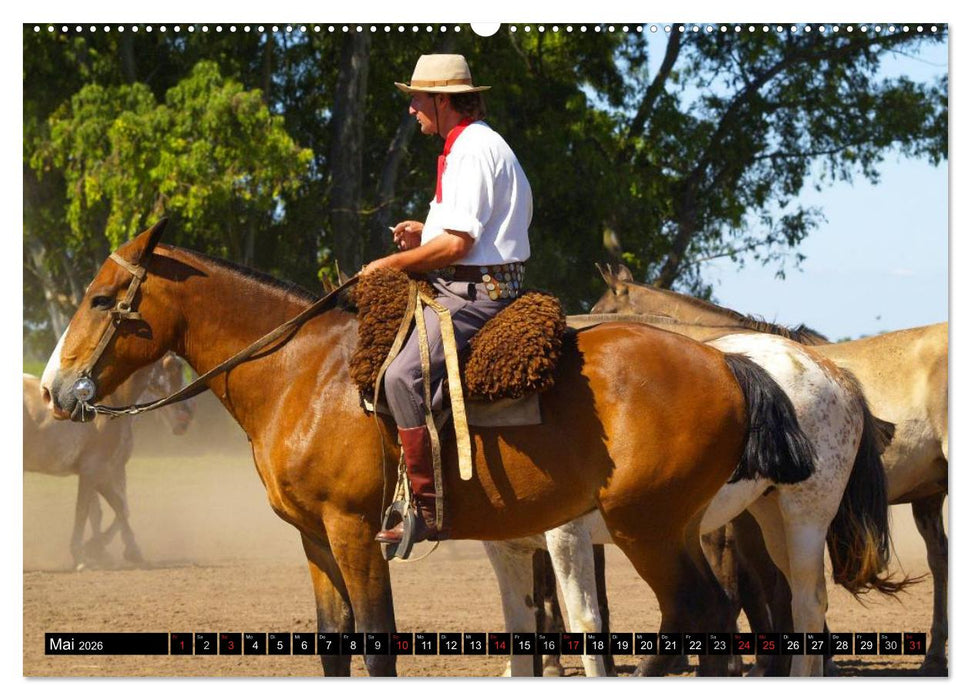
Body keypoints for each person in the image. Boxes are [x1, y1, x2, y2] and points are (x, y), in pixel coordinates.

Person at [364, 54, 532, 545]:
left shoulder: (472, 152)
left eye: (417, 99)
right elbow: (461, 231)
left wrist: (386, 266)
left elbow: (458, 246)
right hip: (467, 284)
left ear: (443, 101)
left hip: (477, 296)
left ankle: (426, 509)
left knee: (401, 375)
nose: (412, 109)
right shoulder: (470, 145)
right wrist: (425, 231)